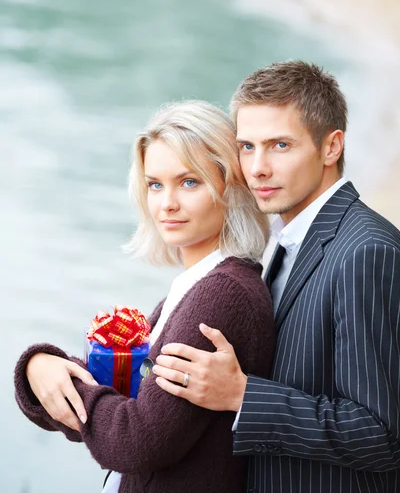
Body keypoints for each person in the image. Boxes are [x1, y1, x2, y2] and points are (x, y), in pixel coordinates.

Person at [153, 62, 400, 493]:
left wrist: (242, 396)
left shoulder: (366, 252)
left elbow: (380, 433)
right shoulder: (279, 241)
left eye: (279, 145)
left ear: (331, 147)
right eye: (246, 147)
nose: (258, 168)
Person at [14, 100, 275, 493]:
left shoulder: (222, 295)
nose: (166, 203)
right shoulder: (196, 286)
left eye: (189, 182)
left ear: (230, 186)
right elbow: (113, 405)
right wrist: (41, 367)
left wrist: (65, 385)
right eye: (155, 184)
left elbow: (136, 440)